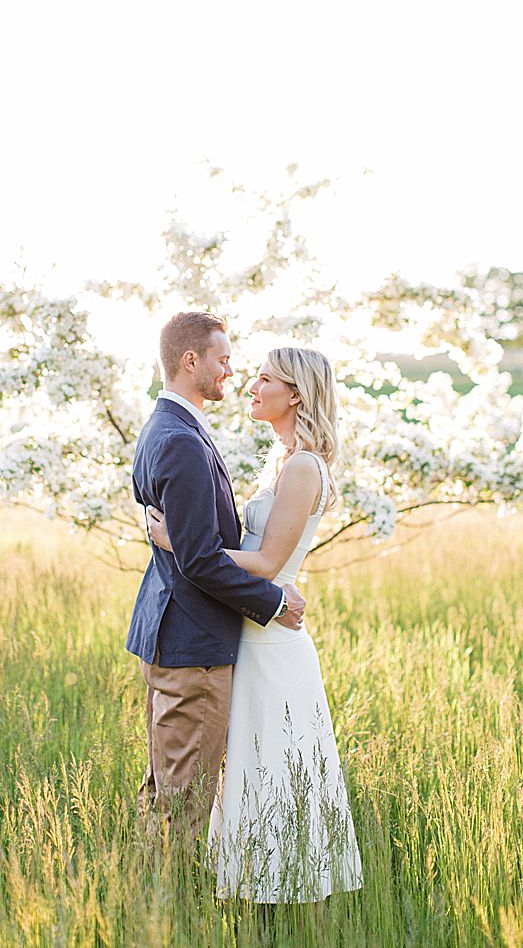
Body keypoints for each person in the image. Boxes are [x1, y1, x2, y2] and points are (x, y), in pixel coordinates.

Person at [146, 347, 363, 902]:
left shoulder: (304, 466)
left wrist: (184, 544)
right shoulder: (281, 459)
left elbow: (266, 563)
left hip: (272, 643)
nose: (250, 384)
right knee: (245, 767)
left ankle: (283, 887)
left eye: (265, 378)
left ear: (295, 394)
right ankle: (248, 883)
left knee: (274, 764)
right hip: (252, 630)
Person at [126, 311, 307, 838]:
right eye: (223, 360)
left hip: (171, 634)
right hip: (194, 643)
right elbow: (201, 559)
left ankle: (147, 901)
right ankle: (168, 913)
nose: (232, 371)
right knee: (183, 800)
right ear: (191, 361)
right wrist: (273, 602)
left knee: (164, 788)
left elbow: (185, 544)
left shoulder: (165, 426)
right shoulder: (180, 438)